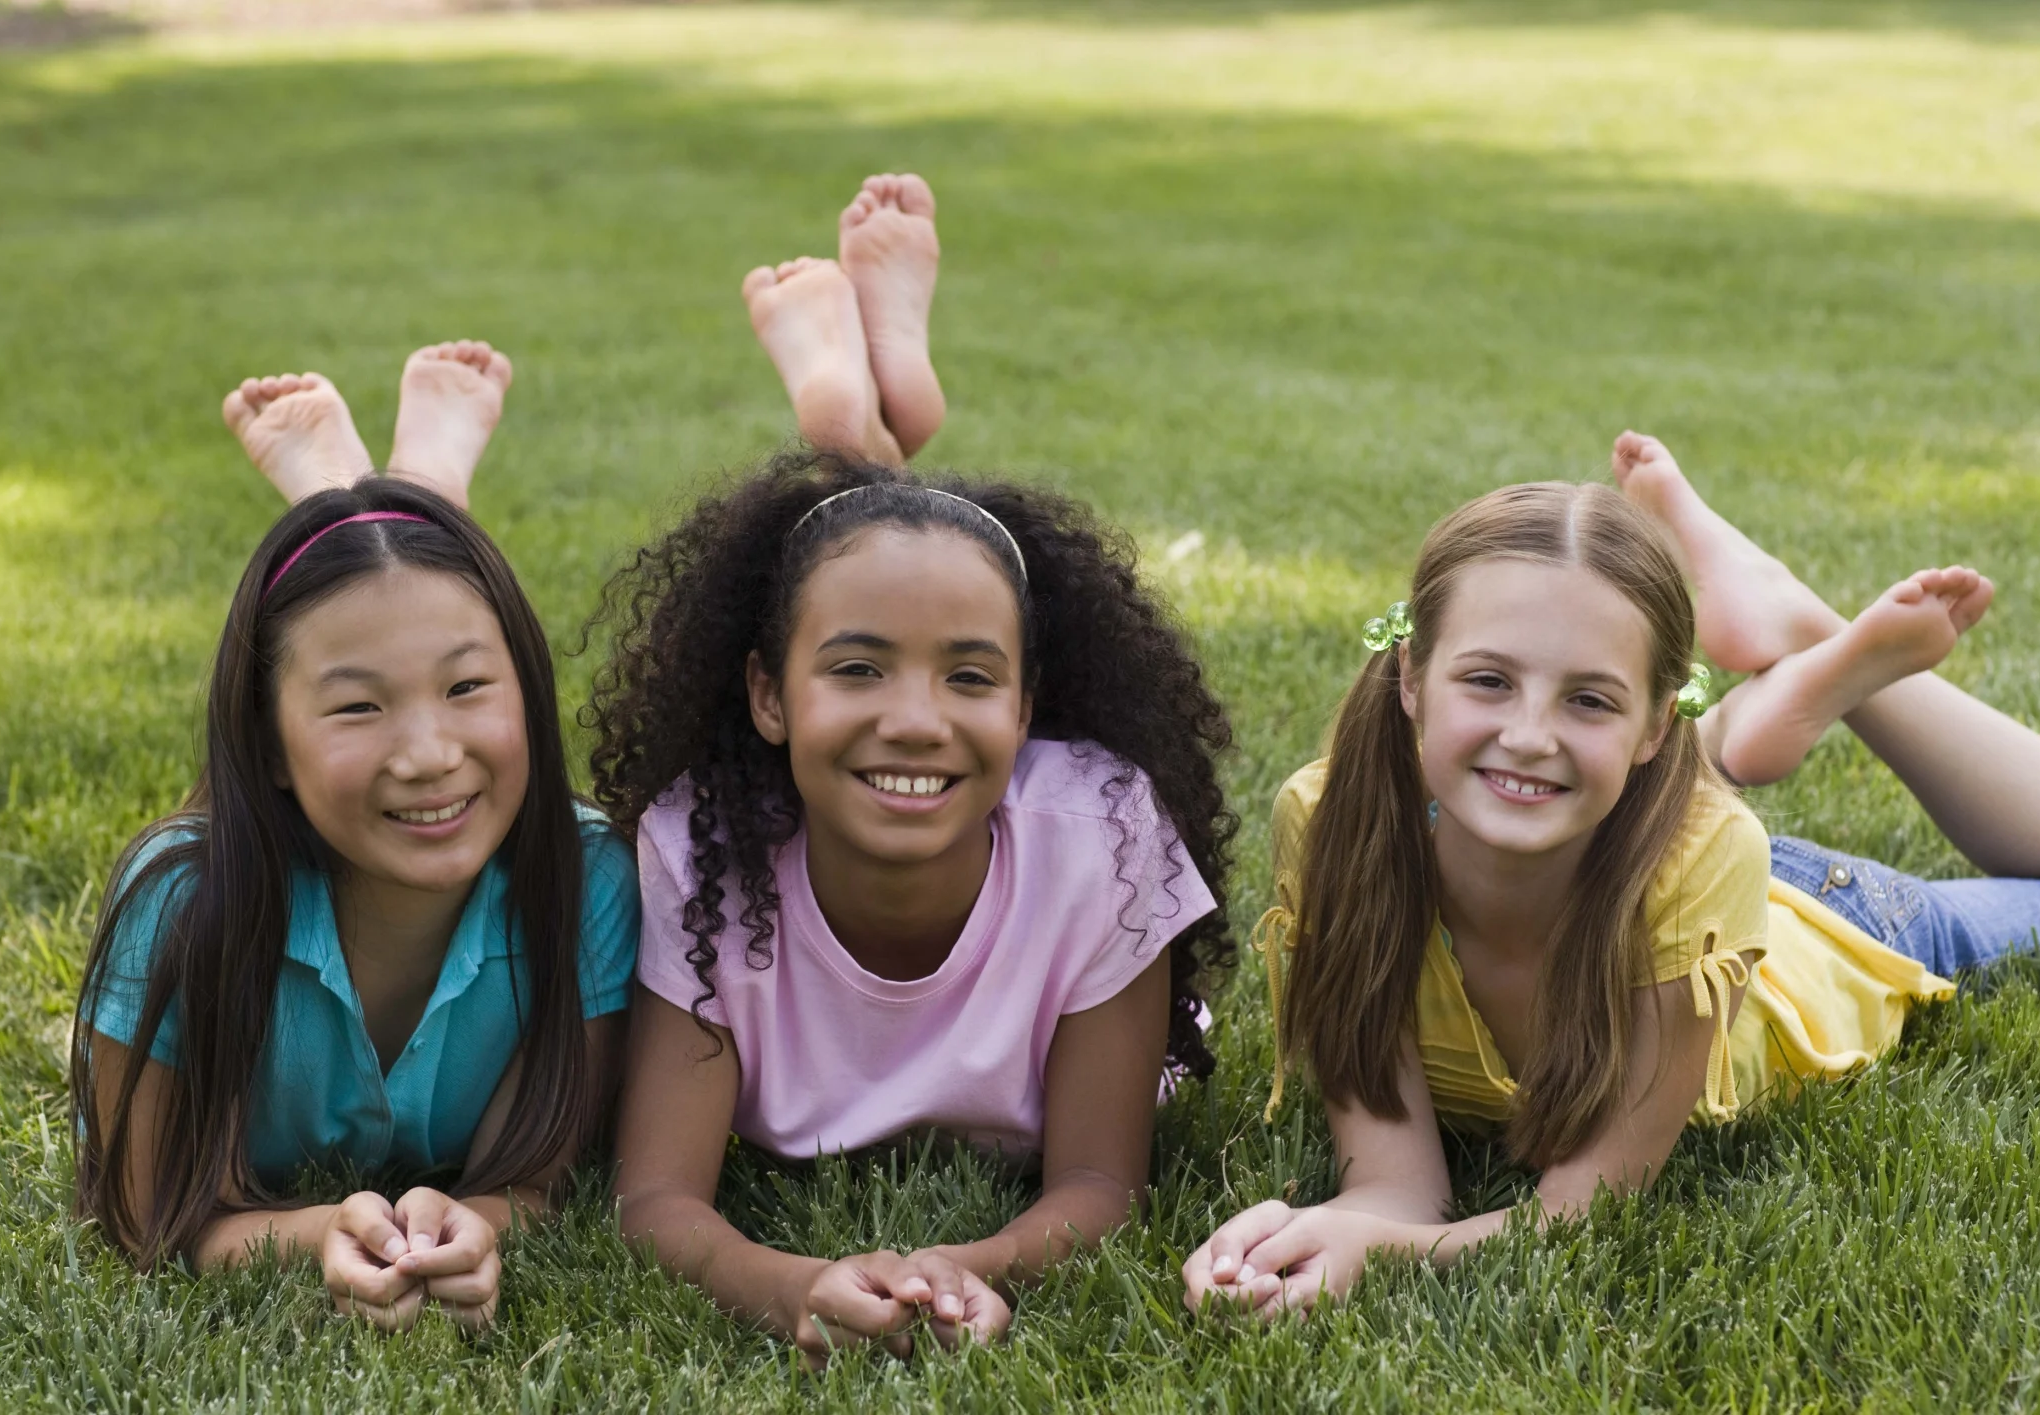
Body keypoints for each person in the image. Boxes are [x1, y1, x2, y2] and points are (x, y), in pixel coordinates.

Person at [1185, 433, 2040, 1317]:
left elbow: (1583, 1211)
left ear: (1655, 726)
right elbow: (1391, 1191)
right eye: (1489, 680)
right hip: (1633, 827)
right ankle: (1759, 698)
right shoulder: (1337, 818)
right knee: (1603, 786)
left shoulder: (1707, 855)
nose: (1529, 732)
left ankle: (1806, 628)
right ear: (1412, 679)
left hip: (1823, 921)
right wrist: (1311, 1243)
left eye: (1588, 698)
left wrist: (1395, 1257)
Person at [592, 173, 1236, 1363]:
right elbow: (656, 1203)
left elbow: (1099, 1179)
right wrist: (798, 1283)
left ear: (1028, 708)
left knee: (901, 566)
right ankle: (862, 424)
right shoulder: (703, 850)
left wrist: (956, 1269)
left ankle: (860, 421)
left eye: (971, 678)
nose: (916, 721)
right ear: (766, 696)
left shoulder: (1098, 827)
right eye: (855, 670)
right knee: (891, 557)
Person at [71, 342, 635, 1333]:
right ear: (270, 744)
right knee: (393, 595)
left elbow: (541, 1180)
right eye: (356, 706)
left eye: (469, 687)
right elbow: (144, 1211)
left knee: (395, 592)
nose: (427, 754)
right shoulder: (178, 898)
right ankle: (403, 492)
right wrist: (316, 1230)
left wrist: (475, 1224)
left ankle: (394, 492)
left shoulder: (584, 874)